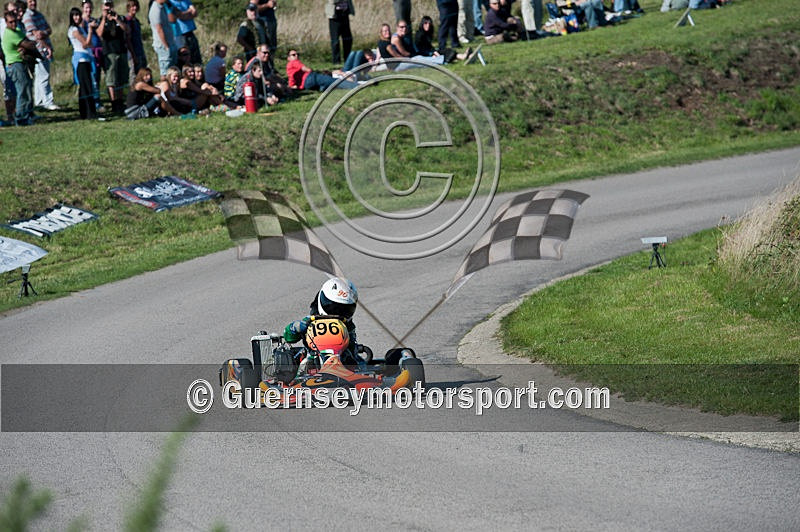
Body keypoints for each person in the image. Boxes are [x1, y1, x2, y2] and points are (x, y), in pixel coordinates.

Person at [283, 277, 362, 367]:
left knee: (353, 359)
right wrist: (295, 328)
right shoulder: (309, 321)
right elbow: (288, 337)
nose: (337, 313)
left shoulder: (348, 325)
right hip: (314, 359)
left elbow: (352, 348)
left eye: (344, 309)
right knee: (305, 362)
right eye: (333, 307)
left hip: (341, 359)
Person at [22, 0, 57, 110]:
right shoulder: (27, 16)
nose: (33, 3)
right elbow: (37, 35)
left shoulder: (39, 15)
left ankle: (39, 101)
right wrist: (43, 35)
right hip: (38, 50)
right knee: (43, 76)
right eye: (30, 1)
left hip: (43, 49)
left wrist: (44, 33)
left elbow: (49, 30)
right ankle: (47, 101)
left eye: (34, 1)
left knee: (40, 77)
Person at [2, 6, 33, 124]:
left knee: (27, 89)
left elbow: (27, 42)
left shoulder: (18, 30)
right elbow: (28, 44)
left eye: (15, 21)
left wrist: (26, 46)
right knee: (22, 91)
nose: (13, 24)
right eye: (11, 22)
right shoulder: (10, 34)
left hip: (20, 63)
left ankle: (26, 114)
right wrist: (27, 46)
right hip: (14, 65)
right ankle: (20, 117)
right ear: (6, 23)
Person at [97, 0, 128, 113]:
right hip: (109, 52)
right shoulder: (100, 20)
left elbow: (127, 30)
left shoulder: (120, 18)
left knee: (121, 78)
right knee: (111, 80)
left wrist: (117, 19)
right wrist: (104, 18)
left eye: (110, 5)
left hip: (121, 51)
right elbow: (99, 33)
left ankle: (120, 101)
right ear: (102, 7)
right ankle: (113, 102)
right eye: (106, 5)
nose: (108, 8)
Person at [67, 5, 96, 118]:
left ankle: (86, 112)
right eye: (74, 15)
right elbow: (85, 44)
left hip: (87, 58)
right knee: (85, 86)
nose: (77, 17)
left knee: (87, 86)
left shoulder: (81, 29)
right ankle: (88, 112)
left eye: (78, 15)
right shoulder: (73, 30)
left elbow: (90, 44)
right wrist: (90, 30)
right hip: (81, 60)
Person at [285, 49, 358, 91]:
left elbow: (291, 79)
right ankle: (358, 86)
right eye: (293, 55)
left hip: (306, 85)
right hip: (310, 78)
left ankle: (324, 87)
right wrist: (310, 70)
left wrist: (292, 86)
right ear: (288, 58)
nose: (296, 56)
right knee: (334, 81)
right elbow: (305, 69)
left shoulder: (288, 68)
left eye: (297, 54)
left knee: (327, 84)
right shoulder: (294, 62)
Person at [81, 0, 104, 111]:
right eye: (86, 7)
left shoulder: (94, 20)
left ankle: (97, 99)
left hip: (98, 50)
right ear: (82, 8)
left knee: (97, 77)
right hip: (88, 53)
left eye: (90, 8)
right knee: (92, 77)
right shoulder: (81, 22)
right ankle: (94, 102)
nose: (88, 10)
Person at [149, 0, 176, 78]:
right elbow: (159, 29)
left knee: (172, 70)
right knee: (165, 72)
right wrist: (166, 46)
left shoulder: (162, 7)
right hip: (163, 46)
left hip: (170, 43)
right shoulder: (155, 9)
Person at [326, 0, 353, 65]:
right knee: (335, 41)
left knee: (348, 39)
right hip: (334, 15)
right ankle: (336, 61)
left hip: (345, 13)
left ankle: (347, 59)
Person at [124, 0, 146, 78]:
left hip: (140, 51)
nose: (135, 8)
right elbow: (128, 40)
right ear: (128, 7)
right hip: (132, 53)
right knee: (134, 76)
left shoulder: (136, 21)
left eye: (136, 6)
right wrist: (133, 55)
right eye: (132, 6)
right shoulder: (127, 20)